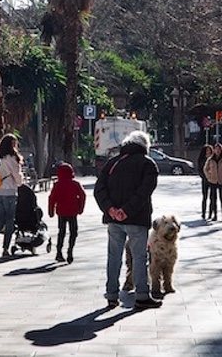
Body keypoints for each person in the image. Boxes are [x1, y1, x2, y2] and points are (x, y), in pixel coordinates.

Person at [94, 131, 161, 310]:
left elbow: (99, 189)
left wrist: (111, 209)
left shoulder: (112, 163)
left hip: (113, 219)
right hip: (137, 219)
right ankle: (141, 295)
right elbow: (144, 191)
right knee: (139, 257)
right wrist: (126, 211)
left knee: (113, 257)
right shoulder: (148, 164)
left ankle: (111, 295)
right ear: (145, 146)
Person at [0, 134, 24, 257]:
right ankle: (5, 247)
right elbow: (17, 176)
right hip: (9, 191)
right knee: (9, 220)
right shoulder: (12, 158)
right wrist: (20, 182)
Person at [48, 162, 86, 263]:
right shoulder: (75, 184)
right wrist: (80, 208)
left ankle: (59, 252)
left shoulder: (57, 185)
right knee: (73, 232)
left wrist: (51, 211)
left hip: (61, 211)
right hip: (73, 211)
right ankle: (70, 251)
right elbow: (83, 195)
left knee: (61, 232)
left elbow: (52, 198)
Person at [204, 142, 222, 221]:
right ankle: (215, 215)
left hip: (221, 181)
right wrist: (209, 177)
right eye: (216, 149)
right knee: (213, 199)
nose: (218, 151)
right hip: (213, 181)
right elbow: (205, 169)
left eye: (219, 149)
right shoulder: (210, 160)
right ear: (214, 150)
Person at [196, 145, 213, 220]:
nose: (208, 152)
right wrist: (204, 177)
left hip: (212, 180)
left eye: (209, 150)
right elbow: (200, 169)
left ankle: (210, 213)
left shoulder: (213, 158)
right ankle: (203, 213)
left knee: (212, 197)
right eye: (207, 150)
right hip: (205, 180)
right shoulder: (202, 159)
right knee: (205, 197)